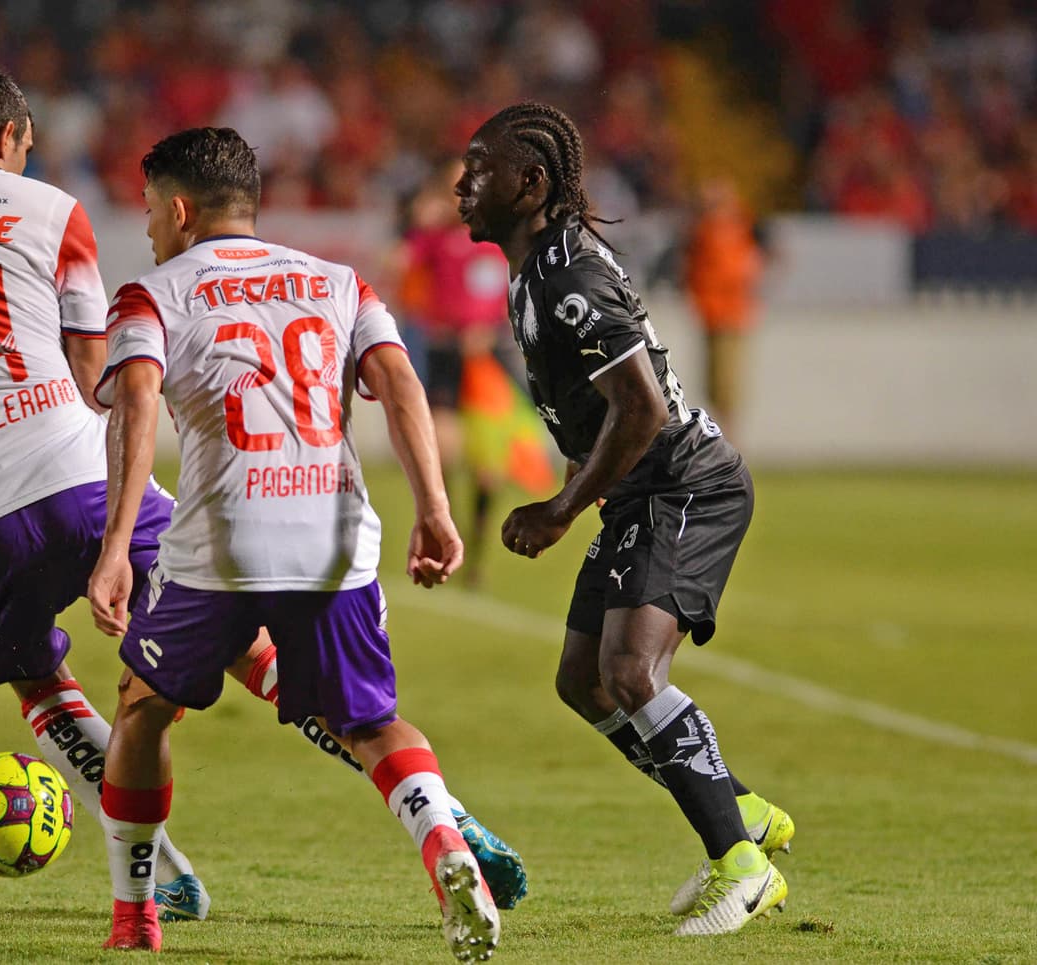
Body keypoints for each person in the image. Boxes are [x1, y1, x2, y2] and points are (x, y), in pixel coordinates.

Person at [0, 64, 525, 926]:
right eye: (29, 146)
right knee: (257, 648)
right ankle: (440, 815)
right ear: (9, 137)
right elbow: (98, 379)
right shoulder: (52, 212)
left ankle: (155, 879)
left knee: (48, 686)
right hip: (79, 470)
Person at [86, 127, 501, 960]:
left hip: (219, 548)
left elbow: (135, 402)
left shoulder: (152, 292)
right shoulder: (342, 282)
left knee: (141, 703)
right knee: (370, 721)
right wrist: (435, 508)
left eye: (147, 213)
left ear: (178, 209)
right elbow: (399, 383)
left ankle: (135, 917)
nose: (146, 231)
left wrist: (115, 545)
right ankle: (445, 847)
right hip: (333, 543)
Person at [454, 102, 793, 936]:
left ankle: (743, 867)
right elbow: (594, 412)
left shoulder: (569, 272)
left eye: (479, 169)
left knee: (634, 669)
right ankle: (741, 810)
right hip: (640, 490)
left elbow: (639, 407)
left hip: (685, 483)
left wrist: (563, 509)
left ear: (531, 184)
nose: (463, 184)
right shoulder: (534, 272)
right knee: (583, 679)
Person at [399, 160, 554, 586]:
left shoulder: (493, 241)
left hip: (487, 362)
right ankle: (442, 523)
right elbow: (401, 264)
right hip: (447, 354)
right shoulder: (433, 239)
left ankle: (478, 547)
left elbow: (507, 297)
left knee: (489, 467)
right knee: (443, 448)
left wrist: (488, 330)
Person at [682, 177, 765, 444]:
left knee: (725, 387)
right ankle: (726, 443)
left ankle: (729, 445)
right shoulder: (713, 230)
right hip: (714, 315)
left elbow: (732, 272)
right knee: (716, 387)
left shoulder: (727, 231)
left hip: (727, 315)